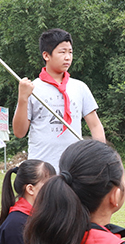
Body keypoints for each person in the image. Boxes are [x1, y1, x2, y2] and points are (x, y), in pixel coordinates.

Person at [11, 28, 105, 171]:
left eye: (70, 52)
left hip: (73, 168)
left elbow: (95, 125)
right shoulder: (32, 88)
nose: (68, 57)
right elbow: (19, 132)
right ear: (46, 55)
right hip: (42, 170)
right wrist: (22, 99)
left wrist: (100, 156)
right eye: (62, 52)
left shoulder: (80, 87)